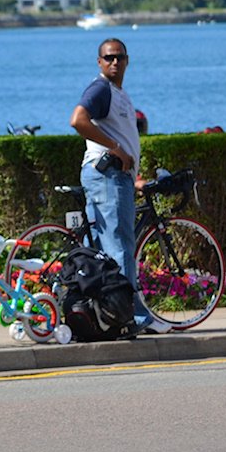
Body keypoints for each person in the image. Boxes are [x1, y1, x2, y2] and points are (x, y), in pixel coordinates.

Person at [69, 38, 169, 335]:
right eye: (109, 58)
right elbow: (78, 120)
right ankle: (134, 317)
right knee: (119, 248)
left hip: (115, 178)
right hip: (108, 176)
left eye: (120, 57)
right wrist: (115, 148)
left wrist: (132, 173)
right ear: (99, 62)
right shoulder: (100, 88)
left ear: (127, 60)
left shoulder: (118, 93)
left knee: (101, 249)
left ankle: (105, 317)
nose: (115, 62)